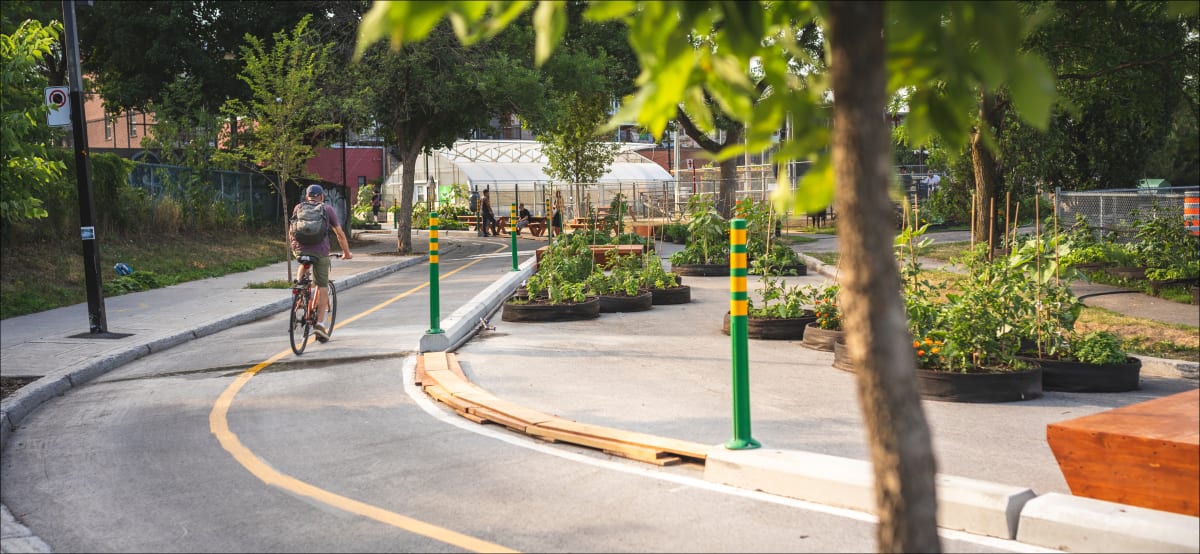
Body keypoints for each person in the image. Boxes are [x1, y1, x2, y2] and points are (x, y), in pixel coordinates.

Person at [290, 184, 352, 341]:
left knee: (303, 264)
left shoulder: (298, 207)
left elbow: (293, 230)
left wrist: (295, 248)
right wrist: (346, 253)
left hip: (300, 251)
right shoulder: (327, 209)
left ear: (307, 196)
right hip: (320, 252)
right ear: (322, 197)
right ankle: (320, 325)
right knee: (322, 286)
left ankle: (300, 290)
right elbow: (340, 234)